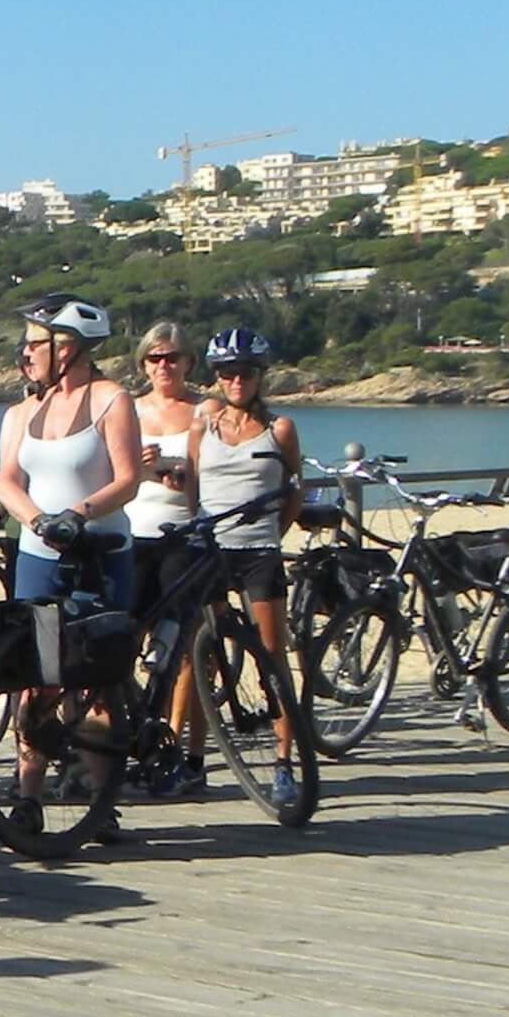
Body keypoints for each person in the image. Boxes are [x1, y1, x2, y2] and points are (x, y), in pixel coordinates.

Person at [0, 295, 141, 839]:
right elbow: (8, 479)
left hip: (102, 552)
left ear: (68, 347)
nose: (25, 353)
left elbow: (127, 478)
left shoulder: (111, 400)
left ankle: (98, 795)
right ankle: (28, 791)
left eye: (35, 343)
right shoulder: (21, 412)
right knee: (38, 675)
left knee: (101, 676)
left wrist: (79, 514)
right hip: (40, 556)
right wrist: (37, 521)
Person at [186, 328, 305, 809]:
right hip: (211, 551)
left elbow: (294, 489)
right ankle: (193, 758)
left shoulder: (280, 428)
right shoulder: (205, 424)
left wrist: (275, 532)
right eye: (227, 373)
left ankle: (283, 762)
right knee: (204, 652)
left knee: (271, 656)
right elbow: (193, 485)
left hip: (259, 552)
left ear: (260, 375)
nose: (236, 380)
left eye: (246, 372)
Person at [128, 321, 209, 800]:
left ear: (188, 362)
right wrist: (140, 470)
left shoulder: (204, 409)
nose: (164, 366)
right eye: (155, 358)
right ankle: (134, 740)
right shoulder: (130, 411)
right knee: (128, 640)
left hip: (185, 536)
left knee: (182, 647)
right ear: (143, 364)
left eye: (172, 357)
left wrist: (185, 473)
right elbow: (113, 472)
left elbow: (214, 474)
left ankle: (178, 750)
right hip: (135, 534)